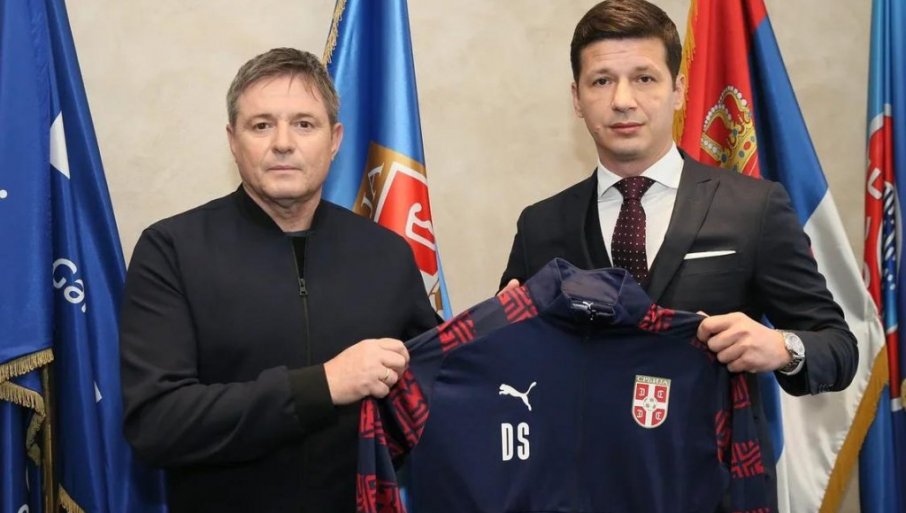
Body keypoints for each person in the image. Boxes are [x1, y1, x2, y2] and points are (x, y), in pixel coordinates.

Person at [498, 0, 858, 507]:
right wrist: (506, 337)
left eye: (644, 78)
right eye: (601, 81)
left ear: (678, 90)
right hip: (581, 493)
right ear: (576, 98)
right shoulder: (541, 225)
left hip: (716, 490)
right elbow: (511, 374)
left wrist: (781, 347)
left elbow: (839, 348)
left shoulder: (754, 208)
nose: (623, 101)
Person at [119, 48, 438, 513]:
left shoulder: (387, 254)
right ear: (233, 141)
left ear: (335, 140)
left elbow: (436, 391)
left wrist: (512, 334)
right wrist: (323, 385)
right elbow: (157, 424)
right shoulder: (171, 250)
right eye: (261, 125)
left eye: (304, 124)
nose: (283, 143)